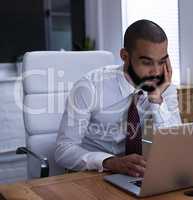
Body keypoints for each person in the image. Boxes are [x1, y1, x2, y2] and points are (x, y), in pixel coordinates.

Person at [55, 19, 181, 177]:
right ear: (125, 56)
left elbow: (175, 145)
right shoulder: (89, 87)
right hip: (91, 173)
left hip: (133, 173)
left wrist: (156, 100)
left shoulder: (163, 87)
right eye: (147, 62)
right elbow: (63, 150)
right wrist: (111, 162)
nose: (156, 72)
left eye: (162, 62)